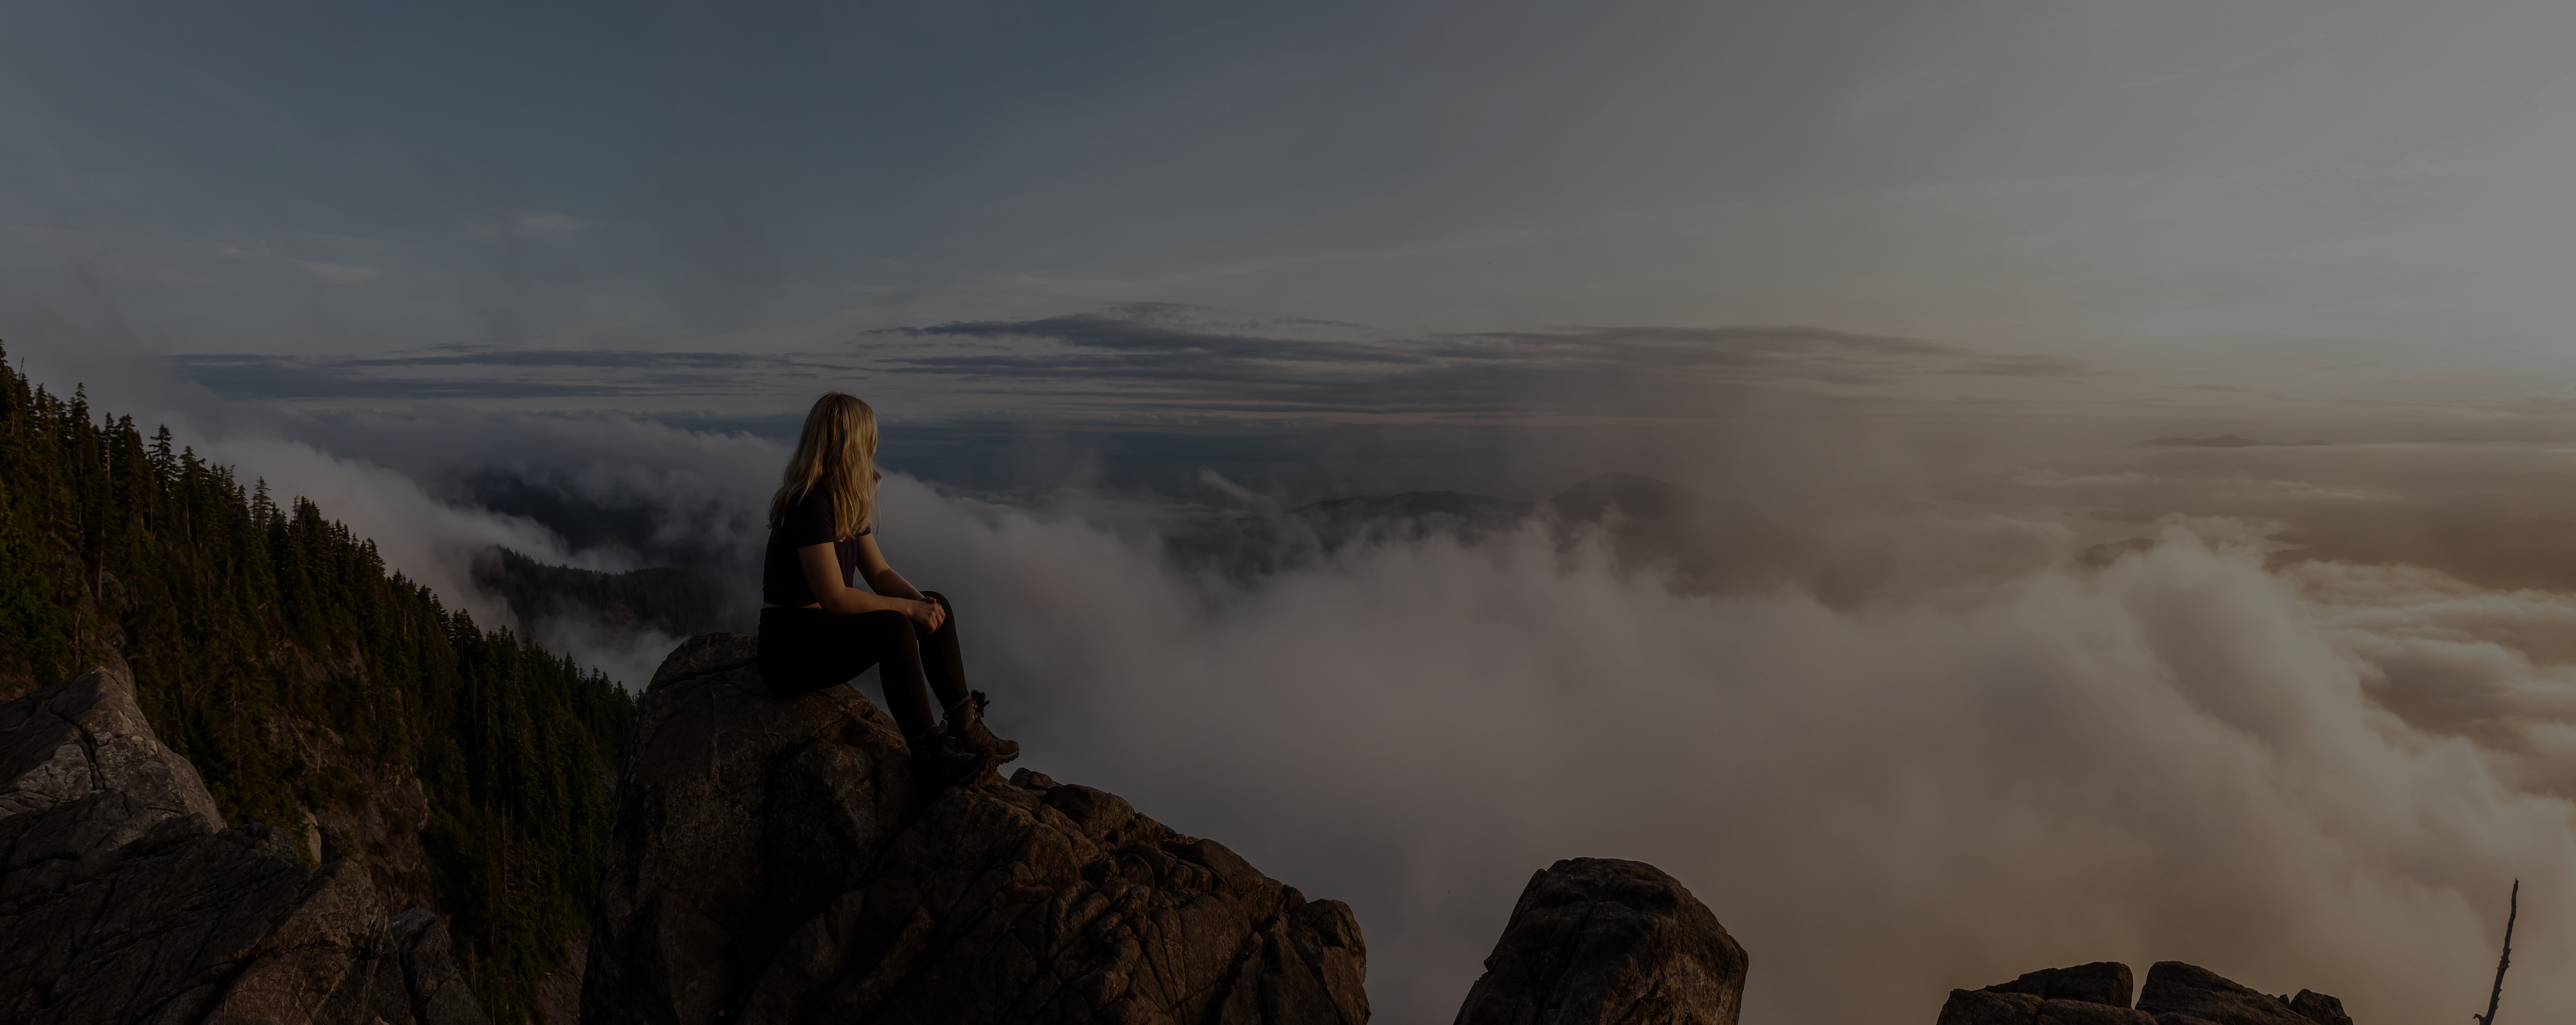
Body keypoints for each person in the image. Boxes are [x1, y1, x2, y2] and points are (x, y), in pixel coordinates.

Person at [755, 392, 1017, 789]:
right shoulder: (809, 505)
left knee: (932, 602)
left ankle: (964, 726)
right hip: (790, 648)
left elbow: (878, 572)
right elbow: (835, 597)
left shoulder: (842, 499)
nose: (876, 445)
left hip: (821, 631)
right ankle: (928, 757)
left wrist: (922, 606)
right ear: (852, 443)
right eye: (871, 437)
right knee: (894, 625)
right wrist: (907, 614)